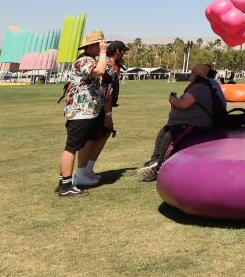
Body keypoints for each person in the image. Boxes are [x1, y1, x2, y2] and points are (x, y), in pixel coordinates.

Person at [137, 64, 228, 182]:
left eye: (192, 73)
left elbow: (184, 104)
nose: (190, 74)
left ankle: (159, 168)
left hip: (193, 123)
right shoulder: (198, 86)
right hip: (184, 122)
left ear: (197, 75)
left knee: (170, 139)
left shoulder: (199, 87)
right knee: (162, 134)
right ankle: (154, 161)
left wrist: (173, 100)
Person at [56, 30, 117, 196]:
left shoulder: (88, 59)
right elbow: (99, 71)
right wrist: (104, 53)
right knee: (71, 147)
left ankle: (64, 182)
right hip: (80, 112)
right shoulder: (84, 60)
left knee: (73, 146)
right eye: (100, 44)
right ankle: (66, 185)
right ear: (92, 46)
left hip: (85, 112)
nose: (103, 47)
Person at [72, 40, 128, 187]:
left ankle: (87, 170)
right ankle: (82, 172)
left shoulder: (109, 65)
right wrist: (108, 115)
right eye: (124, 52)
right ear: (118, 52)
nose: (124, 55)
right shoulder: (108, 67)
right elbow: (106, 91)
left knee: (102, 134)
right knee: (92, 137)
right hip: (99, 107)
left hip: (100, 106)